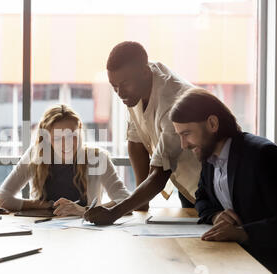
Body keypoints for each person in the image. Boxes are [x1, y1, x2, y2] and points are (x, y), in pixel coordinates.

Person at [85, 41, 201, 225]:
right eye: (114, 86)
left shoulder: (173, 102)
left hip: (212, 185)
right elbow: (136, 141)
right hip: (187, 186)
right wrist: (141, 204)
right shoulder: (137, 84)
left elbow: (159, 174)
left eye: (124, 84)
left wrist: (114, 213)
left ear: (145, 73)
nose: (120, 93)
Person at [170, 87, 277, 274]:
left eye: (186, 133)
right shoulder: (210, 159)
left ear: (212, 123)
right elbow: (201, 198)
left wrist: (244, 233)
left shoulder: (262, 155)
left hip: (268, 267)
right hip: (237, 261)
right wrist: (216, 216)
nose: (184, 145)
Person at [0, 105, 130, 216]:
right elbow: (1, 198)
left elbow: (125, 199)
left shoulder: (97, 157)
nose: (68, 144)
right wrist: (41, 205)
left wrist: (83, 210)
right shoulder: (35, 155)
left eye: (73, 135)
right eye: (59, 138)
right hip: (43, 230)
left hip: (86, 233)